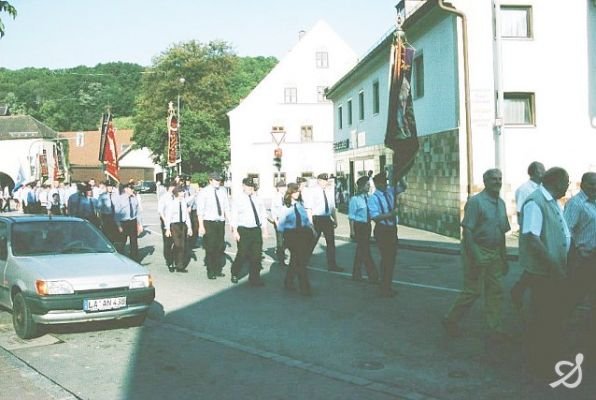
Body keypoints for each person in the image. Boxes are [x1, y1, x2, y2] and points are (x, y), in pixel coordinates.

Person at [442, 169, 511, 338]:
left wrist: (504, 256)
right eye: (493, 179)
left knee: (496, 290)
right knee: (472, 291)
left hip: (494, 252)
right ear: (485, 181)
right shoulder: (476, 202)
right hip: (476, 250)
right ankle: (451, 319)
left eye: (499, 179)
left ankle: (495, 328)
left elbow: (502, 233)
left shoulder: (501, 203)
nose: (497, 182)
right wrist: (476, 256)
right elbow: (468, 232)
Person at [518, 167, 571, 377]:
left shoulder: (551, 200)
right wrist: (553, 265)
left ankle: (548, 354)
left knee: (551, 315)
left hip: (553, 270)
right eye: (566, 182)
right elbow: (532, 238)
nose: (568, 186)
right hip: (545, 273)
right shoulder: (535, 202)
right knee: (542, 316)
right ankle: (539, 362)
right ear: (556, 182)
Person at [564, 172, 596, 350]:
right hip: (583, 260)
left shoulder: (595, 202)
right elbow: (567, 232)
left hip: (594, 259)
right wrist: (575, 256)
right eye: (591, 184)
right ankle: (559, 329)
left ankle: (590, 335)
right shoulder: (576, 204)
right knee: (574, 297)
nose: (595, 187)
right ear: (582, 184)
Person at [511, 161, 546, 309]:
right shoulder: (524, 189)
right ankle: (519, 290)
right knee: (533, 265)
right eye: (542, 170)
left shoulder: (541, 188)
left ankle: (520, 290)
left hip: (540, 231)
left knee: (535, 265)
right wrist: (526, 234)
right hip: (529, 232)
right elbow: (520, 213)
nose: (544, 172)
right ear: (534, 172)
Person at [230, 177, 269, 286]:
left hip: (256, 230)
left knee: (257, 255)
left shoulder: (257, 198)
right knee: (242, 254)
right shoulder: (238, 199)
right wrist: (235, 231)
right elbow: (234, 216)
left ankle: (254, 278)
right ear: (243, 186)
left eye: (251, 187)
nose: (250, 189)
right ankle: (235, 272)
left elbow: (262, 214)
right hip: (243, 230)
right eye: (248, 186)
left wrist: (264, 229)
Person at [277, 183, 314, 296]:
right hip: (292, 235)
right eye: (295, 191)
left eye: (298, 191)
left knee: (295, 260)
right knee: (301, 261)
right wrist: (281, 242)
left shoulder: (300, 205)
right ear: (290, 193)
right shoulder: (285, 208)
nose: (297, 193)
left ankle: (288, 281)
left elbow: (305, 219)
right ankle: (304, 287)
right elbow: (280, 226)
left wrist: (312, 229)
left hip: (303, 234)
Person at [368, 172, 400, 297]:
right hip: (382, 230)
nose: (386, 184)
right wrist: (391, 214)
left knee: (391, 259)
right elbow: (375, 217)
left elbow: (403, 187)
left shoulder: (390, 192)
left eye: (386, 182)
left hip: (392, 229)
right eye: (383, 182)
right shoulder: (374, 198)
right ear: (377, 184)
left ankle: (387, 284)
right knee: (386, 258)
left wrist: (399, 175)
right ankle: (384, 286)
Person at [304, 173, 343, 272]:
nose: (325, 182)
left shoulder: (329, 191)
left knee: (331, 243)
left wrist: (335, 219)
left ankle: (332, 265)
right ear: (318, 181)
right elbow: (309, 208)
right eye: (323, 180)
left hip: (327, 219)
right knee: (312, 241)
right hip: (317, 219)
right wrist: (310, 223)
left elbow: (332, 207)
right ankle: (304, 261)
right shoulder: (312, 191)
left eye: (326, 180)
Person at [197, 172, 230, 280]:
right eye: (216, 180)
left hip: (220, 222)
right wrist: (201, 226)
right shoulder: (204, 192)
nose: (218, 182)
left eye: (219, 180)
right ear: (210, 180)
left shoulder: (223, 191)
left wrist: (230, 223)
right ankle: (210, 270)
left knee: (220, 247)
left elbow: (226, 207)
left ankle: (217, 269)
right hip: (209, 222)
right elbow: (200, 211)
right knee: (211, 247)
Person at [348, 176, 379, 283]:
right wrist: (351, 230)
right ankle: (373, 274)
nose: (369, 186)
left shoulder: (369, 198)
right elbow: (351, 216)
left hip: (367, 226)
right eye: (367, 184)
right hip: (359, 226)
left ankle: (356, 274)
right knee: (365, 250)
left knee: (361, 251)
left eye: (369, 184)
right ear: (361, 186)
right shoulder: (355, 199)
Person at [164, 185, 193, 272]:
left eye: (183, 192)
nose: (183, 194)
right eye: (181, 192)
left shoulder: (183, 202)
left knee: (182, 246)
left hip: (182, 225)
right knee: (177, 245)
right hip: (174, 225)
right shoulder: (171, 203)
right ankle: (171, 262)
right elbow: (168, 217)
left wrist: (190, 227)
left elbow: (186, 216)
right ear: (177, 193)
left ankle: (179, 266)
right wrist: (167, 229)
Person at [114, 182, 141, 261]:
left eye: (133, 188)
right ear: (126, 189)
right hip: (124, 222)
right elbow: (116, 213)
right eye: (131, 188)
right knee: (122, 242)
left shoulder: (134, 198)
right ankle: (120, 258)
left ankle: (134, 258)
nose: (133, 190)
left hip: (132, 221)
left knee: (134, 241)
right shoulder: (120, 199)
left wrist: (140, 224)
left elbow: (138, 212)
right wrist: (119, 226)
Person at [158, 181, 176, 270]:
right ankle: (169, 261)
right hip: (166, 222)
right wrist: (165, 222)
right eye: (172, 186)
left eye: (174, 186)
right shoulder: (164, 197)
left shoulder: (176, 196)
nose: (174, 188)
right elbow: (161, 211)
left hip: (175, 222)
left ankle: (175, 259)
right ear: (168, 187)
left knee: (176, 242)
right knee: (168, 243)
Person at [270, 180, 288, 267]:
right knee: (280, 242)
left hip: (288, 222)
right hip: (279, 222)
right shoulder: (275, 197)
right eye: (281, 187)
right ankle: (281, 260)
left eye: (284, 187)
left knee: (288, 240)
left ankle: (280, 251)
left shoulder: (287, 196)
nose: (283, 188)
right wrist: (276, 222)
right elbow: (273, 211)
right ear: (278, 188)